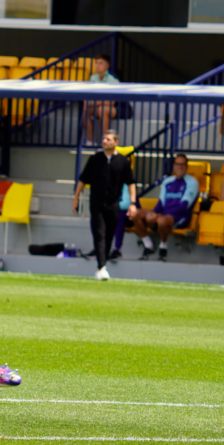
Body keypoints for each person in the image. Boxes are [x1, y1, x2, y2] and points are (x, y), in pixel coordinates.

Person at [73, 129, 137, 280]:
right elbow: (83, 179)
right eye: (103, 139)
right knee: (99, 233)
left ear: (116, 142)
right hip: (96, 203)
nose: (105, 141)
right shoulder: (95, 159)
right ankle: (102, 267)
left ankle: (101, 266)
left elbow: (131, 183)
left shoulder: (123, 162)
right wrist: (76, 197)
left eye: (108, 139)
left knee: (109, 235)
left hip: (113, 204)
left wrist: (133, 203)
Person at [132, 154, 199, 262]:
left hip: (179, 217)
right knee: (135, 213)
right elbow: (161, 202)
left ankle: (163, 247)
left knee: (162, 221)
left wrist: (158, 216)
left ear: (187, 166)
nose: (180, 167)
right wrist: (154, 213)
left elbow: (184, 206)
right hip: (162, 214)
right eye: (177, 164)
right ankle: (148, 245)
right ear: (174, 166)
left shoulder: (192, 182)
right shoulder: (167, 181)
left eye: (182, 164)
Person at [85, 54, 119, 146]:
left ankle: (105, 141)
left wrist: (94, 102)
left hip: (112, 108)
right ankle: (90, 141)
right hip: (96, 106)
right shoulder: (93, 78)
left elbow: (111, 102)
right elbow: (89, 95)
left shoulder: (113, 80)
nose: (97, 65)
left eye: (101, 63)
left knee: (103, 109)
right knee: (86, 110)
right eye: (96, 63)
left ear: (107, 66)